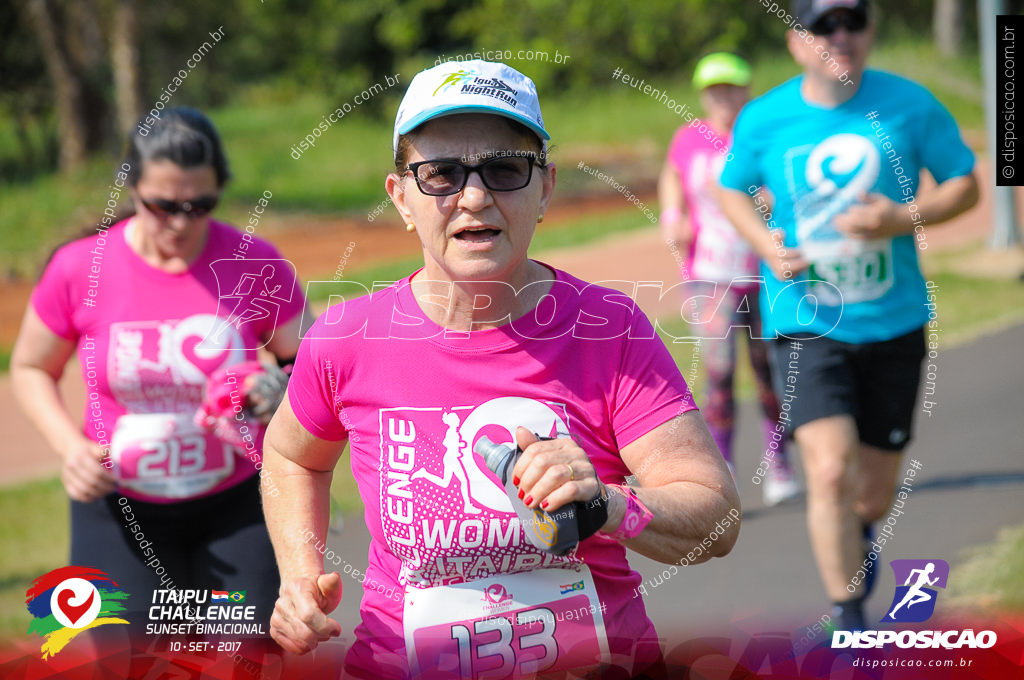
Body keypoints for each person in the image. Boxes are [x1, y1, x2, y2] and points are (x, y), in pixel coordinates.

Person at [261, 59, 741, 679]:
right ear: (401, 198)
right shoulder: (347, 337)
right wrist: (299, 577)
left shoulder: (608, 328)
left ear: (544, 189)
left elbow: (715, 517)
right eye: (441, 174)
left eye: (505, 169)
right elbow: (294, 454)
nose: (475, 196)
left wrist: (607, 505)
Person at [717, 0, 978, 631]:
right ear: (795, 41)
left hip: (893, 322)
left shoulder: (910, 104)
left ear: (870, 30)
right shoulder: (765, 117)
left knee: (873, 489)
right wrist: (766, 245)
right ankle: (849, 615)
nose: (840, 35)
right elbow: (731, 188)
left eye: (852, 20)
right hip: (806, 321)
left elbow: (964, 182)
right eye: (823, 25)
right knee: (828, 471)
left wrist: (901, 218)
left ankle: (859, 531)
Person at [11, 108, 308, 634]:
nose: (181, 222)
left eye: (201, 205)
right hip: (118, 511)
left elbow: (311, 366)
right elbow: (32, 366)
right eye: (163, 205)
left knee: (239, 661)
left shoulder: (252, 262)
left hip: (238, 508)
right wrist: (70, 449)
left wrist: (279, 387)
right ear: (131, 188)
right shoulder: (81, 268)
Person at [658, 52, 801, 506]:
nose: (724, 98)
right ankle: (725, 470)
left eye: (732, 89)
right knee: (718, 372)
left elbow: (787, 187)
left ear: (747, 89)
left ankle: (778, 462)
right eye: (715, 91)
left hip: (761, 271)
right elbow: (672, 175)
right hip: (709, 275)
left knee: (767, 372)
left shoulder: (760, 136)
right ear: (704, 95)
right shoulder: (689, 139)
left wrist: (772, 202)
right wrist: (672, 213)